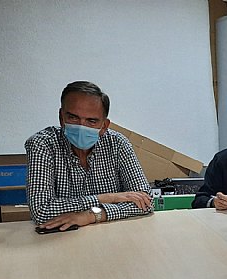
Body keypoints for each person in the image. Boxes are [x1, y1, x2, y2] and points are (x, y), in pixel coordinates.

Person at [26, 81, 152, 230]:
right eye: (73, 118)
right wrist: (108, 198)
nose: (81, 126)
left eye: (91, 121)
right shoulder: (42, 144)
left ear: (104, 125)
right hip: (61, 239)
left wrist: (91, 215)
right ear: (61, 117)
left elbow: (146, 202)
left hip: (113, 234)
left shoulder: (118, 143)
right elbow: (41, 211)